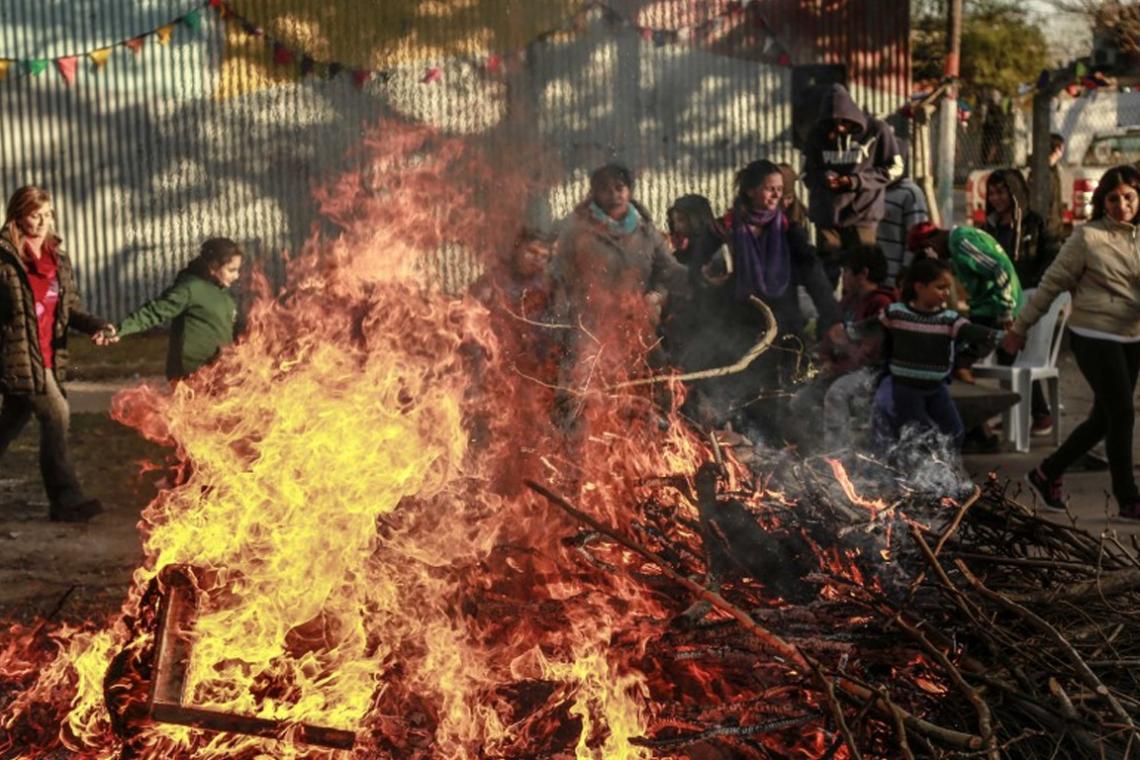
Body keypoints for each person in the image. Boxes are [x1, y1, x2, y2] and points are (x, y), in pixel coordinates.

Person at [1004, 165, 1140, 519]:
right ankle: (1128, 499)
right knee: (1122, 413)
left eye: (1129, 197)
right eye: (1113, 198)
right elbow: (1051, 284)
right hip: (1094, 336)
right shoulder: (1087, 237)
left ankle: (1047, 471)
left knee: (1104, 417)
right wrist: (1020, 328)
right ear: (1102, 202)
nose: (1122, 204)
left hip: (1131, 336)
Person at [0, 185, 113, 522]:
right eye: (36, 215)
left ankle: (65, 500)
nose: (44, 222)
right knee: (57, 414)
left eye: (48, 215)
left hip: (48, 356)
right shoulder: (5, 258)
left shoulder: (57, 259)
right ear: (18, 215)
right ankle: (66, 500)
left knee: (9, 425)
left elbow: (70, 307)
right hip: (17, 357)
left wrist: (96, 325)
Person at [550, 163, 687, 423]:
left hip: (635, 323)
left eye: (619, 187)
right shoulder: (577, 230)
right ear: (594, 193)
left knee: (651, 384)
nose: (614, 194)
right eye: (605, 189)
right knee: (582, 390)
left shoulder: (645, 231)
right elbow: (558, 276)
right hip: (590, 325)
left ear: (629, 191)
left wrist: (697, 281)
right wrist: (563, 316)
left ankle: (652, 439)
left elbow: (668, 271)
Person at [713, 159, 843, 434]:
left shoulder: (789, 230)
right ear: (750, 191)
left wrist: (831, 316)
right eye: (769, 189)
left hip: (784, 326)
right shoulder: (724, 229)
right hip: (741, 327)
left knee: (782, 396)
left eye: (779, 190)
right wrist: (706, 279)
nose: (776, 195)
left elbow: (813, 272)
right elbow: (697, 270)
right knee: (743, 394)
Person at [872, 258, 1003, 448]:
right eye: (940, 287)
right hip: (906, 389)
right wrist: (847, 334)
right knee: (919, 436)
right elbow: (870, 329)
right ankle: (916, 474)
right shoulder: (895, 314)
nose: (946, 293)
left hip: (936, 388)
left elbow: (972, 331)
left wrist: (1001, 337)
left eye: (947, 288)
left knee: (955, 432)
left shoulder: (948, 319)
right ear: (920, 287)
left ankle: (942, 471)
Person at [981, 168, 1060, 435]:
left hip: (1030, 304)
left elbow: (1051, 261)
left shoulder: (1035, 223)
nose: (996, 198)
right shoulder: (989, 226)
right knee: (1005, 354)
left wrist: (1029, 295)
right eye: (991, 193)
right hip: (1001, 305)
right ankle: (1025, 414)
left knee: (1015, 355)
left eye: (1001, 192)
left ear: (1015, 192)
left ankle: (1037, 414)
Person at [97, 238, 243, 382]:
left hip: (219, 369)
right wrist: (120, 329)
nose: (237, 276)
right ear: (213, 266)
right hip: (194, 373)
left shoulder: (223, 294)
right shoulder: (190, 288)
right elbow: (154, 312)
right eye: (231, 270)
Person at [803, 84, 903, 285]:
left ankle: (862, 314)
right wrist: (825, 178)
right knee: (826, 274)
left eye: (843, 122)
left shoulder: (877, 131)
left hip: (862, 215)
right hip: (827, 216)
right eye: (832, 123)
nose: (838, 128)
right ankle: (830, 315)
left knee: (862, 274)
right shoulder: (816, 134)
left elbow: (895, 168)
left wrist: (856, 181)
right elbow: (807, 173)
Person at [905, 221, 1024, 379]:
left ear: (929, 244)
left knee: (963, 358)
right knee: (1012, 364)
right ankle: (1036, 403)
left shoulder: (961, 241)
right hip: (987, 305)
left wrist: (1007, 312)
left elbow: (1000, 268)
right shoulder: (957, 246)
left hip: (996, 306)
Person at [817, 246, 898, 450]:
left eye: (846, 272)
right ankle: (814, 448)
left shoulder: (881, 303)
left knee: (837, 394)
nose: (843, 277)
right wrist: (826, 359)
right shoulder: (849, 299)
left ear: (863, 274)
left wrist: (836, 366)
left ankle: (838, 457)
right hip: (841, 367)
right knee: (801, 401)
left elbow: (869, 353)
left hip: (871, 372)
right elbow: (831, 335)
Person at [875, 145, 930, 287]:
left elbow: (917, 237)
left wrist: (906, 272)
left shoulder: (910, 193)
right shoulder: (871, 189)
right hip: (872, 277)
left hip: (894, 279)